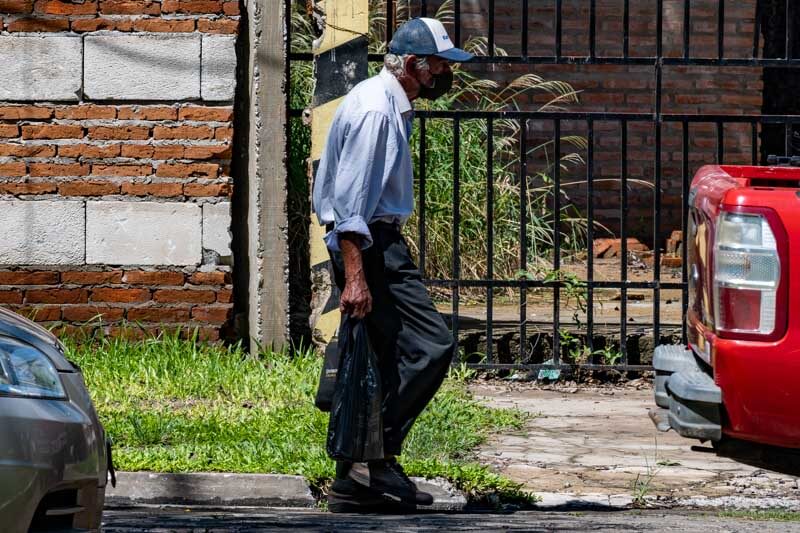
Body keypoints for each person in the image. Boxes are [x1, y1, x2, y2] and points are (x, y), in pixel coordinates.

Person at [312, 17, 474, 512]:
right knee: (431, 345)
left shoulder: (387, 103)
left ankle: (359, 477)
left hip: (376, 243)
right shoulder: (376, 113)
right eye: (439, 64)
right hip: (370, 247)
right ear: (411, 65)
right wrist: (356, 278)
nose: (445, 73)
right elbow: (350, 208)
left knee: (381, 359)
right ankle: (369, 458)